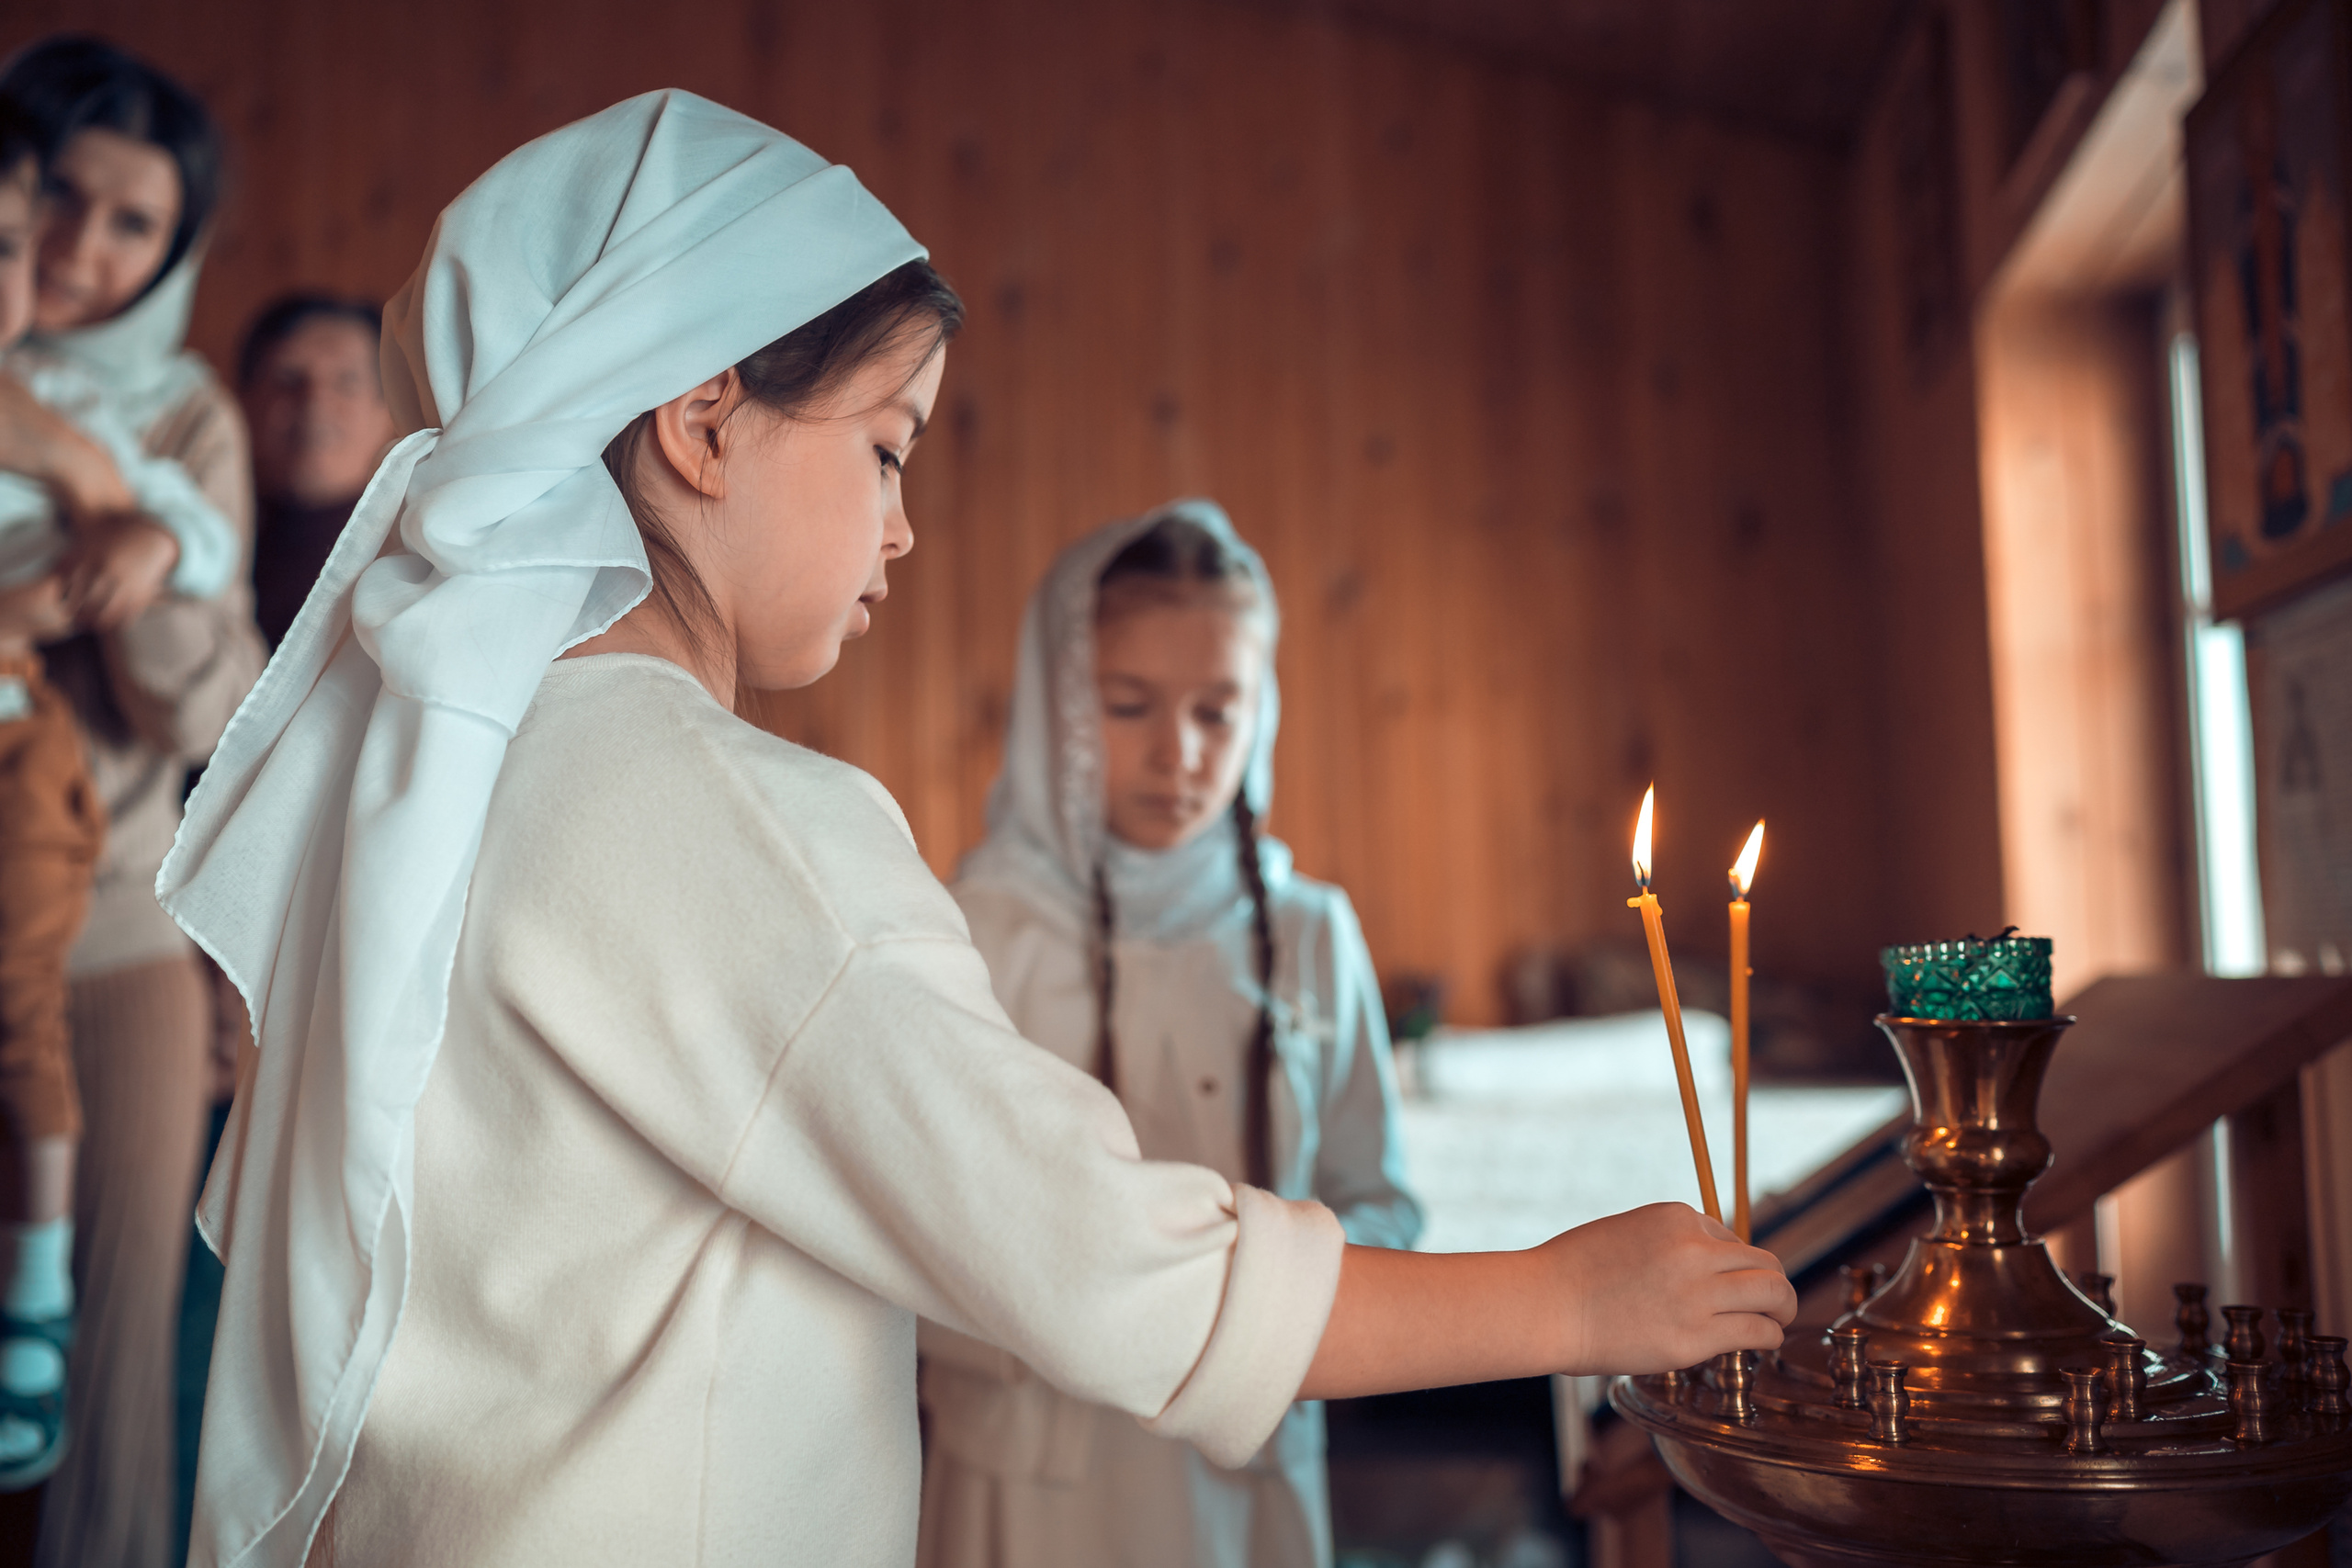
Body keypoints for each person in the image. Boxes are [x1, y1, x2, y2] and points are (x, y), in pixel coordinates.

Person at [163, 91, 1794, 1568]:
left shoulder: (461, 772)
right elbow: (1092, 1256)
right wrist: (1570, 1295)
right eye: (885, 448)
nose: (903, 526)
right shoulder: (719, 810)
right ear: (704, 415)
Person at [919, 502, 1419, 1568]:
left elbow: (1379, 1196)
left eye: (1218, 711)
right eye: (1130, 704)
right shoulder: (965, 932)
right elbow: (917, 1230)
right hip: (1036, 1487)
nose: (1179, 754)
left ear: (1263, 713)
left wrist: (1261, 1305)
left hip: (1252, 1477)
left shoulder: (1310, 931)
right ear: (1058, 707)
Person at [0, 36, 264, 1568]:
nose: (79, 250)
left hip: (117, 922)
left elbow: (201, 697)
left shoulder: (185, 423)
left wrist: (113, 507)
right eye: (60, 201)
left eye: (131, 227)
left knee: (107, 1372)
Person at [236, 293, 394, 649]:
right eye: (288, 377)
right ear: (243, 401)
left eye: (347, 382)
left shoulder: (415, 558)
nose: (314, 400)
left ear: (386, 411)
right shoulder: (200, 544)